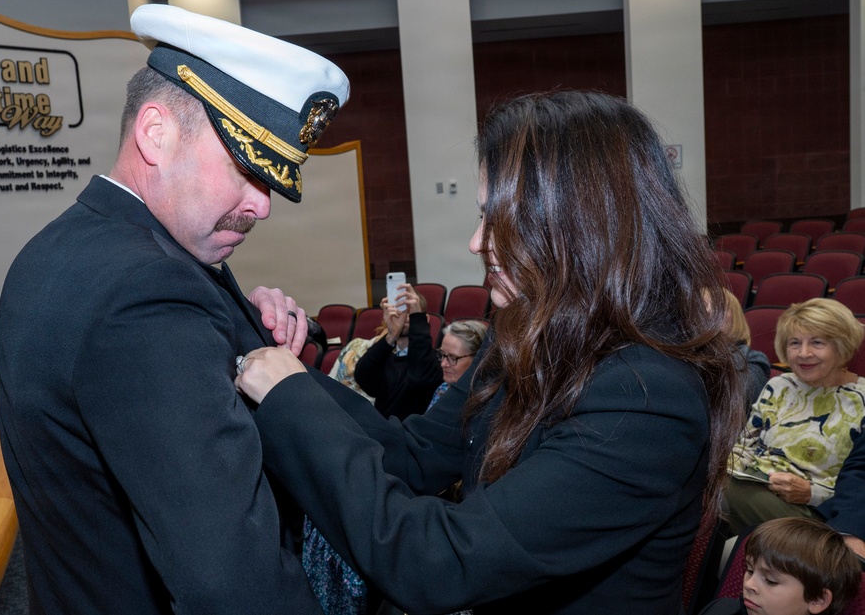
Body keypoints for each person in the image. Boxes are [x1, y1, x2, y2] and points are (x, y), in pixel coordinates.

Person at [235, 91, 744, 614]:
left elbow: (438, 563)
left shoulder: (645, 396)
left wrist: (288, 400)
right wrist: (287, 370)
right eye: (483, 216)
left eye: (501, 219)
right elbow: (417, 455)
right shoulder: (521, 333)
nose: (477, 242)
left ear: (582, 225)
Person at [0, 4, 348, 614]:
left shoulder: (68, 247)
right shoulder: (145, 292)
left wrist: (247, 333)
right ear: (155, 132)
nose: (262, 207)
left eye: (273, 183)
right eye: (246, 169)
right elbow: (232, 583)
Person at [725, 298, 865, 537]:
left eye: (817, 343)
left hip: (808, 512)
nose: (804, 353)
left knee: (706, 492)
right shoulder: (778, 385)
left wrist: (811, 493)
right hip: (749, 486)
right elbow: (744, 446)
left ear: (842, 346)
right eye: (795, 343)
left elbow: (856, 490)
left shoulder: (860, 400)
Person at [698, 518, 861, 615]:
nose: (748, 584)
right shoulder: (721, 610)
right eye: (750, 570)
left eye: (770, 581)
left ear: (817, 599)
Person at [353, 283, 443, 419]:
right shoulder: (386, 356)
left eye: (409, 312)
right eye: (399, 310)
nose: (403, 316)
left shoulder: (435, 361)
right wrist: (391, 336)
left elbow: (419, 379)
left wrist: (417, 321)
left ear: (423, 320)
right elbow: (363, 377)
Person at [721, 288, 772, 411]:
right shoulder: (681, 356)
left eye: (718, 308)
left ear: (735, 318)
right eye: (699, 309)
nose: (707, 312)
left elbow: (731, 404)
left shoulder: (753, 360)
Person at [427, 319, 488, 410]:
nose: (443, 364)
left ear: (477, 360)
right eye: (442, 354)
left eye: (453, 357)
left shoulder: (483, 405)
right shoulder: (443, 388)